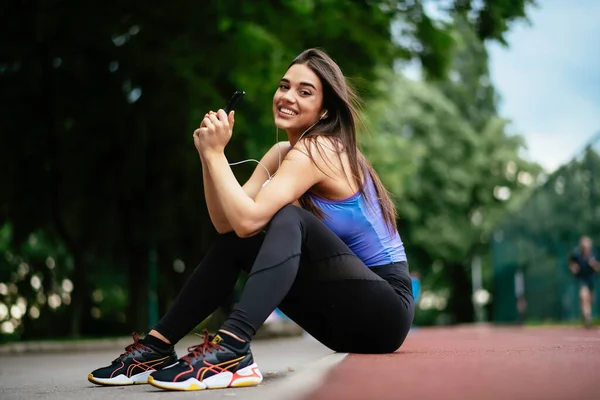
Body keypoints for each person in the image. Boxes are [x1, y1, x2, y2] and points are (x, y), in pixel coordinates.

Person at [88, 48, 414, 391]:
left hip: (385, 311)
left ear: (325, 110)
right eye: (284, 86)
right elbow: (228, 225)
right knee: (248, 236)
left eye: (304, 92)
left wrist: (217, 157)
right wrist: (208, 157)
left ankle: (232, 349)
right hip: (342, 315)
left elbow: (247, 220)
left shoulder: (321, 149)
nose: (287, 97)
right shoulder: (282, 154)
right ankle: (156, 347)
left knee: (287, 217)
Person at [569, 236, 599, 328]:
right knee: (584, 296)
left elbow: (598, 268)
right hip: (581, 279)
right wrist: (574, 268)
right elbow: (572, 264)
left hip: (591, 279)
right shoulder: (576, 255)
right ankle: (588, 318)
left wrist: (594, 264)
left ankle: (585, 314)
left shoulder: (595, 254)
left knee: (590, 300)